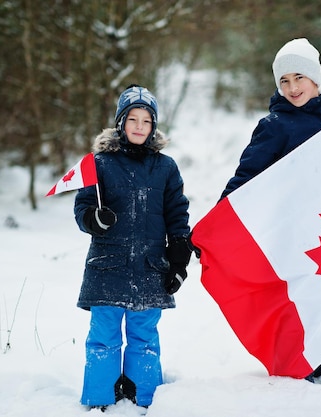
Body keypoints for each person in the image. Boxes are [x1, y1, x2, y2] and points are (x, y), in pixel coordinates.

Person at [220, 38, 321, 379]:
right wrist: (218, 223)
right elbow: (246, 175)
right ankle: (300, 375)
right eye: (284, 81)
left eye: (299, 77)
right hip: (297, 235)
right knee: (303, 304)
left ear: (315, 77)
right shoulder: (275, 126)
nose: (293, 87)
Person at [74, 84, 192, 410]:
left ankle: (145, 398)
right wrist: (93, 219)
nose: (139, 127)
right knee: (103, 336)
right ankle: (100, 397)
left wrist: (179, 253)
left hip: (150, 267)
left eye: (146, 121)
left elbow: (177, 213)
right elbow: (82, 209)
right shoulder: (99, 163)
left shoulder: (166, 167)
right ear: (120, 123)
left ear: (154, 126)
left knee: (144, 337)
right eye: (133, 119)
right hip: (107, 266)